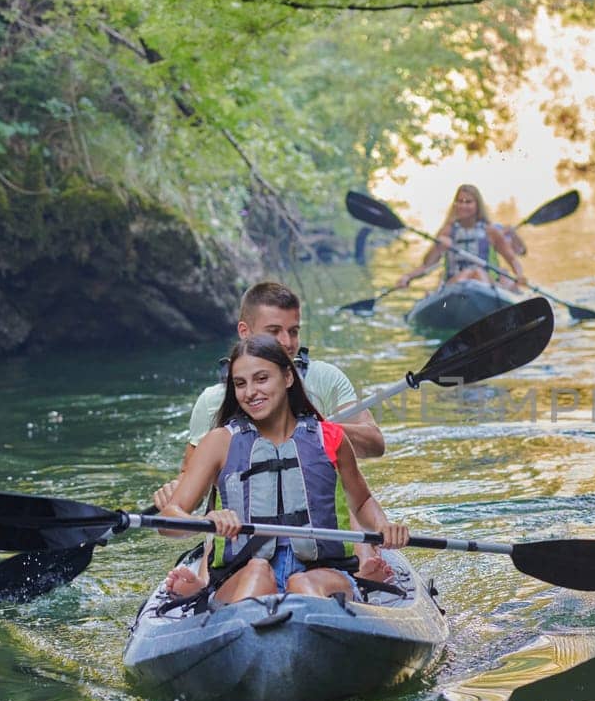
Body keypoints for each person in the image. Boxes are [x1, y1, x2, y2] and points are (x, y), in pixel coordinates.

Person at [160, 334, 407, 604]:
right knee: (258, 570)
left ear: (288, 378)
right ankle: (244, 626)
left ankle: (320, 619)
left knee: (302, 583)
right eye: (240, 384)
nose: (250, 392)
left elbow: (361, 502)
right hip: (242, 574)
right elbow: (170, 519)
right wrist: (205, 522)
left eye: (262, 379)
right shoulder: (219, 442)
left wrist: (384, 526)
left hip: (323, 572)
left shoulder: (330, 437)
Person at [156, 282, 383, 509]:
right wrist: (175, 491)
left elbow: (375, 443)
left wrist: (312, 427)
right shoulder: (212, 400)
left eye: (293, 331)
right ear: (245, 332)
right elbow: (191, 487)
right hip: (242, 534)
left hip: (319, 528)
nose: (287, 342)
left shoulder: (326, 377)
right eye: (274, 331)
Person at [395, 184, 528, 291]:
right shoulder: (446, 231)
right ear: (455, 204)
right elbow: (427, 265)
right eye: (460, 201)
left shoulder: (491, 231)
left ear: (477, 206)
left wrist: (520, 276)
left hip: (486, 283)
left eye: (468, 202)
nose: (463, 205)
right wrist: (407, 277)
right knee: (469, 274)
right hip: (455, 284)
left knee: (476, 272)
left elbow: (512, 260)